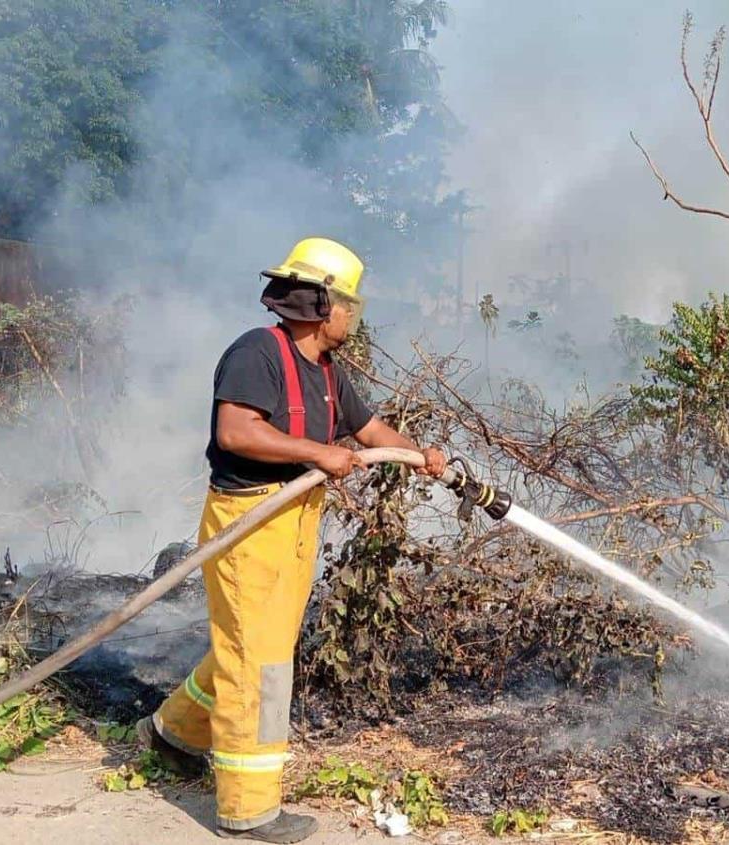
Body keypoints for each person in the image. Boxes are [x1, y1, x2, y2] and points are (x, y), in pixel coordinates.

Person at [136, 237, 446, 843]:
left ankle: (173, 733)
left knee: (256, 646)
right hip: (249, 522)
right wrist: (316, 453)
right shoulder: (259, 353)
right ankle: (248, 810)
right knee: (261, 664)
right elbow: (236, 431)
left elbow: (367, 428)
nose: (355, 317)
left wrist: (421, 456)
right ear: (321, 302)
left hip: (296, 521)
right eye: (349, 303)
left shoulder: (328, 372)